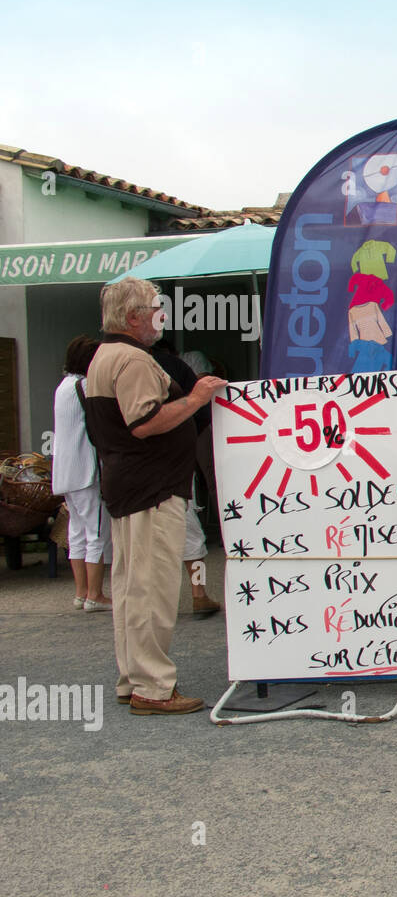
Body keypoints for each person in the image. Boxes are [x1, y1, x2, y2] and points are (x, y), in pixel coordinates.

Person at [82, 278, 226, 715]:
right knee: (152, 590)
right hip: (152, 488)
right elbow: (145, 422)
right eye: (154, 308)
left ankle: (134, 678)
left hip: (128, 484)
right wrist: (196, 398)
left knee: (130, 588)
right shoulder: (133, 359)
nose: (160, 315)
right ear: (132, 317)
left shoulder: (104, 356)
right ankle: (153, 686)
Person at [151, 339, 220, 616]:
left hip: (132, 463)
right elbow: (202, 412)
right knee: (189, 528)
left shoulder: (116, 364)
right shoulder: (175, 366)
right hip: (175, 458)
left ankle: (153, 602)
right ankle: (198, 593)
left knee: (144, 539)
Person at [52, 335, 112, 612]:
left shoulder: (63, 387)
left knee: (77, 533)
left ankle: (81, 593)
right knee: (96, 533)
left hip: (65, 472)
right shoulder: (86, 385)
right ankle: (96, 595)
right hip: (87, 471)